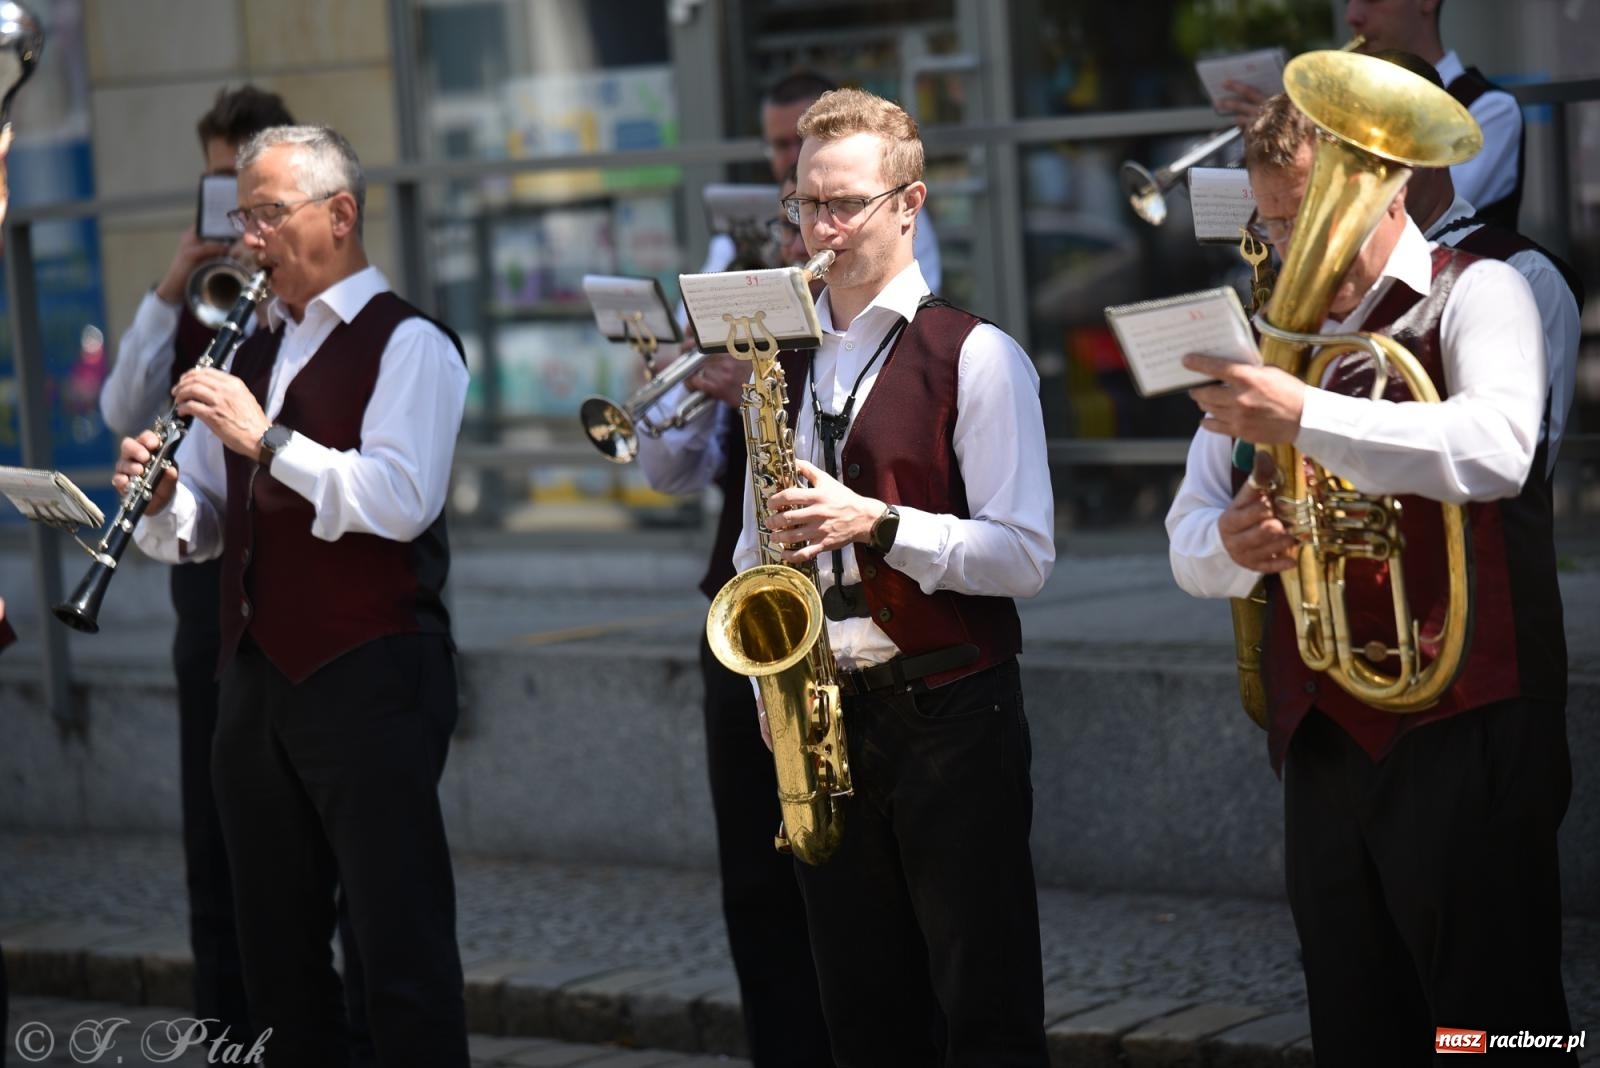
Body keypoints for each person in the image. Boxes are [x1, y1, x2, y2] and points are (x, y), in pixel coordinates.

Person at [1166, 93, 1572, 1064]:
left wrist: (1301, 415)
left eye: (1307, 213)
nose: (1286, 242)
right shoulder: (1270, 340)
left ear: (1384, 188)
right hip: (1324, 734)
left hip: (1469, 723)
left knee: (1495, 1023)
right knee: (1355, 1019)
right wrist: (1234, 542)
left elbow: (1498, 448)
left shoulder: (1481, 290)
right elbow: (1186, 539)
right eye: (1269, 218)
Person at [114, 125, 471, 1068]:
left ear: (340, 214)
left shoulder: (412, 344)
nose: (249, 239)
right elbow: (211, 525)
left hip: (371, 670)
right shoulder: (252, 346)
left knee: (398, 949)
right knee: (274, 954)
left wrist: (264, 439)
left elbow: (398, 500)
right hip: (255, 677)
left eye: (268, 214)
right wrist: (161, 499)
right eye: (244, 218)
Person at [729, 87, 1054, 1065]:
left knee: (983, 1007)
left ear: (908, 204)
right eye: (804, 206)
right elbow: (757, 547)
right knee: (862, 1015)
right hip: (824, 711)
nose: (817, 230)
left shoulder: (980, 356)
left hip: (951, 712)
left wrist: (879, 523)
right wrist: (767, 680)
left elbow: (1025, 556)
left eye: (842, 206)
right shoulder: (776, 364)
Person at [95, 85, 295, 1049]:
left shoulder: (311, 302)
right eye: (219, 191)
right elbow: (117, 409)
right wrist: (175, 280)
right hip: (200, 583)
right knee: (211, 833)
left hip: (294, 599)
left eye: (249, 196)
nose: (232, 215)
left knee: (298, 850)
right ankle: (226, 1031)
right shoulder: (198, 292)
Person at [638, 179, 837, 1066]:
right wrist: (676, 387)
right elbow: (668, 475)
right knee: (754, 880)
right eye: (797, 221)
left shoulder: (862, 340)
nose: (805, 240)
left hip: (847, 628)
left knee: (846, 880)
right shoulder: (751, 311)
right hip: (745, 619)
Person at [1372, 51, 1583, 481]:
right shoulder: (1336, 278)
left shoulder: (1526, 273)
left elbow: (1521, 466)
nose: (1367, 171)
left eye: (1389, 145)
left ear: (1437, 148)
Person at [1219, 1, 1524, 226]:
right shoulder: (1349, 107)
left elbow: (1417, 207)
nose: (1353, 16)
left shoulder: (1489, 109)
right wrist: (1280, 137)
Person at [703, 71, 941, 292]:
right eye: (781, 145)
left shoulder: (892, 210)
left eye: (847, 203)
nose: (797, 156)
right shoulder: (735, 232)